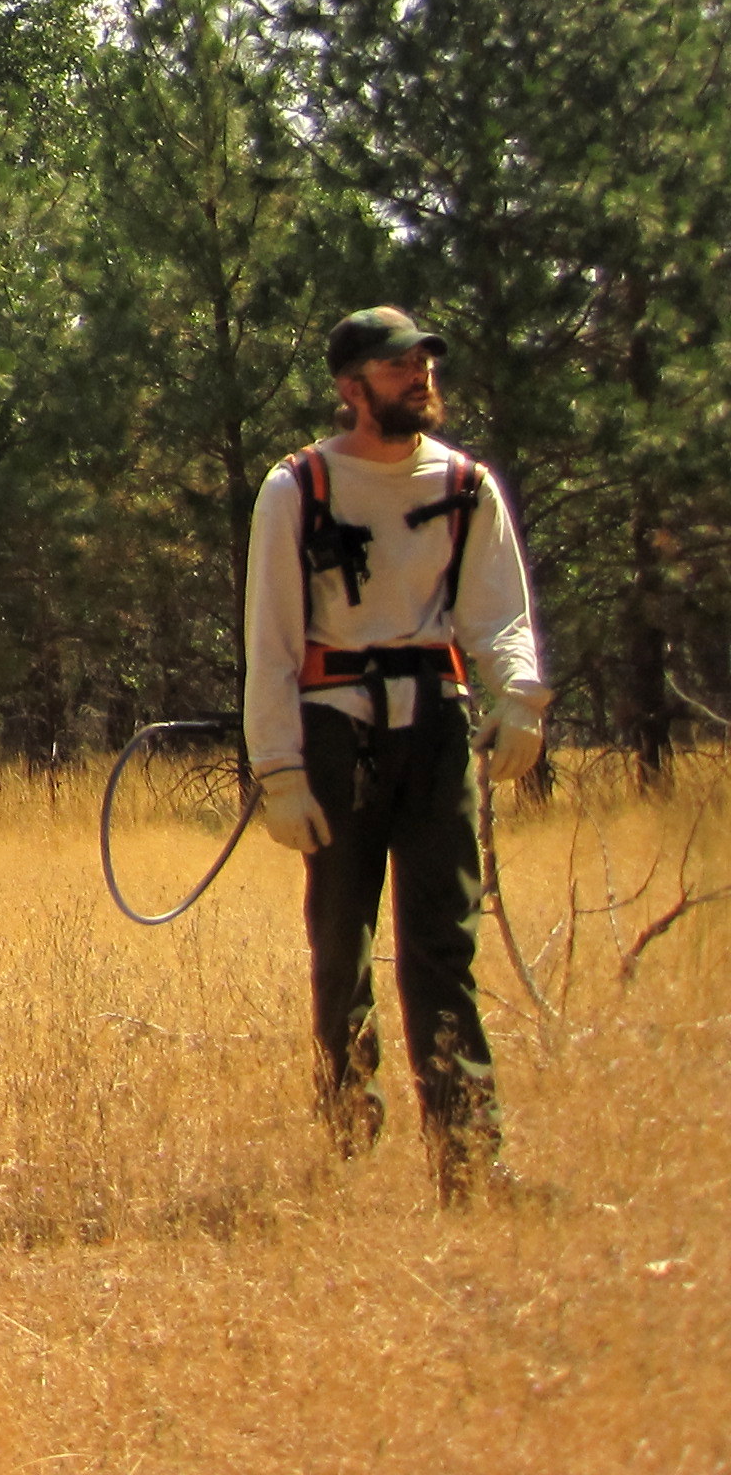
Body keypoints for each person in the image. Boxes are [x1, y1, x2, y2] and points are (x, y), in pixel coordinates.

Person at [242, 306, 548, 1196]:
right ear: (351, 389)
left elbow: (499, 612)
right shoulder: (297, 489)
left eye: (423, 364)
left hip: (436, 728)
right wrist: (280, 770)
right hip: (335, 733)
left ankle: (467, 1156)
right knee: (341, 939)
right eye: (396, 367)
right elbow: (270, 640)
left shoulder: (463, 484)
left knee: (444, 944)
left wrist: (520, 697)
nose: (419, 378)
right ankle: (348, 1137)